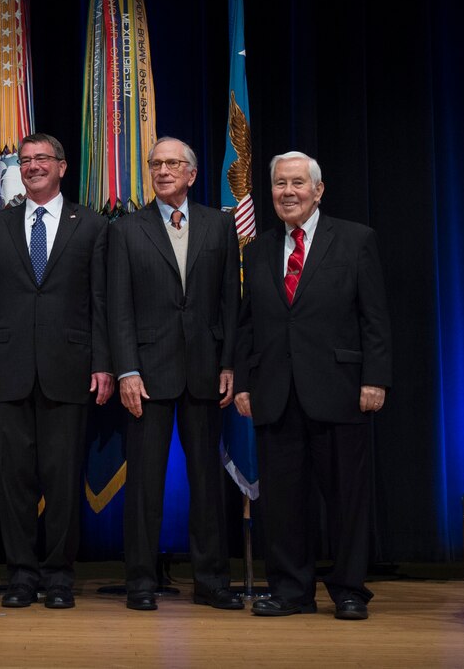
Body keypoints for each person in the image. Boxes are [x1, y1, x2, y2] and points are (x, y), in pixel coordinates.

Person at [235, 151, 392, 621]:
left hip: (340, 389)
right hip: (275, 393)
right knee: (282, 503)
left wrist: (375, 379)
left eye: (297, 183)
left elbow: (375, 319)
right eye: (280, 184)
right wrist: (244, 382)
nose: (288, 192)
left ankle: (348, 590)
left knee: (345, 499)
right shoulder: (257, 249)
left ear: (318, 190)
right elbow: (247, 327)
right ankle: (290, 590)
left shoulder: (356, 240)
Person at [0, 132, 113, 610]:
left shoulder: (91, 225)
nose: (32, 166)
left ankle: (60, 575)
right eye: (25, 161)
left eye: (42, 159)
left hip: (69, 368)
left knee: (64, 477)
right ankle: (22, 575)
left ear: (62, 166)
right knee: (14, 481)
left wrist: (105, 363)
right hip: (5, 371)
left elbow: (100, 302)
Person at [107, 137, 243, 611]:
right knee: (144, 485)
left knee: (207, 482)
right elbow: (117, 308)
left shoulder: (219, 225)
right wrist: (126, 370)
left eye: (173, 164)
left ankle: (211, 582)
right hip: (147, 374)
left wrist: (229, 363)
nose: (163, 170)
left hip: (206, 372)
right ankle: (141, 583)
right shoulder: (126, 230)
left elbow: (231, 301)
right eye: (156, 163)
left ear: (191, 173)